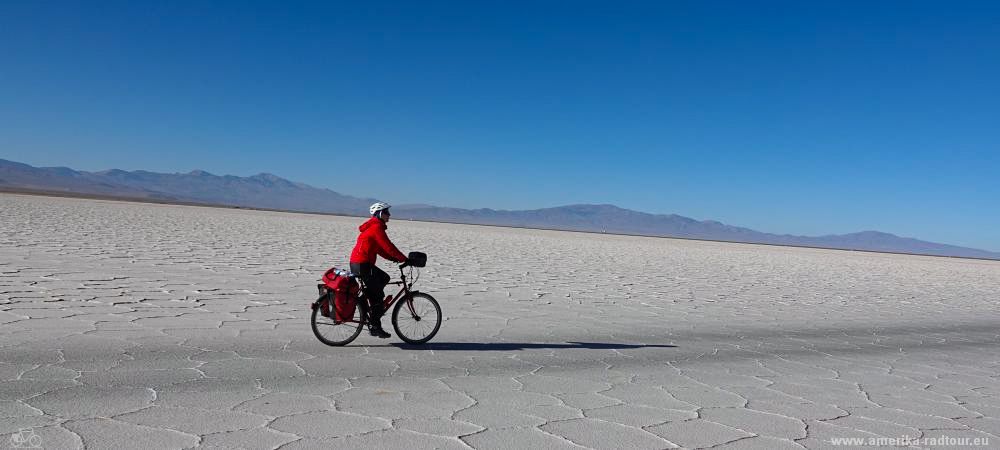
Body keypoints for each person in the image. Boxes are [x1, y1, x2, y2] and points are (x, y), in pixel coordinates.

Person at [349, 202, 407, 338]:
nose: (389, 215)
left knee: (384, 278)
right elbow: (388, 246)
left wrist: (393, 259)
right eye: (387, 212)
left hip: (359, 263)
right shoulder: (376, 228)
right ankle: (375, 325)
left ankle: (365, 301)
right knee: (378, 297)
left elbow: (380, 249)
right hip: (362, 265)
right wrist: (405, 259)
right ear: (380, 214)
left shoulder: (374, 227)